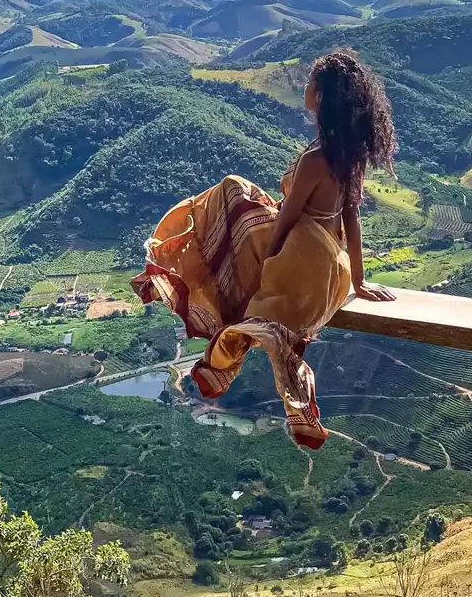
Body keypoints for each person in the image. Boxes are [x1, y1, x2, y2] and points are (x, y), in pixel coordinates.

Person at [132, 49, 397, 449]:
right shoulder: (347, 155)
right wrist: (357, 281)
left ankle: (171, 272)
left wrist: (265, 266)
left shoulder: (315, 158)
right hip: (333, 266)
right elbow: (351, 219)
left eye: (310, 83)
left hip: (302, 260)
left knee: (231, 191)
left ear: (322, 97)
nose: (303, 88)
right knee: (244, 199)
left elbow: (287, 221)